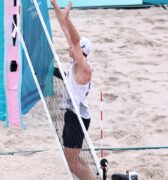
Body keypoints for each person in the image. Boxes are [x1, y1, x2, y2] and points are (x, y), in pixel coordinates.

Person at [50, 1, 94, 179]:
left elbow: (74, 40)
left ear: (80, 51)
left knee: (72, 162)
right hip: (71, 114)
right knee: (72, 159)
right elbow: (67, 33)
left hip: (78, 118)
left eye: (74, 48)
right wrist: (56, 8)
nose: (69, 47)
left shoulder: (84, 69)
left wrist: (68, 19)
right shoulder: (75, 61)